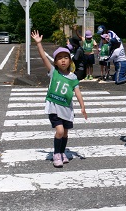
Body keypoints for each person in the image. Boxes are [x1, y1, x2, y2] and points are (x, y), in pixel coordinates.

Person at [30, 30, 88, 168]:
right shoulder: (53, 72)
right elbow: (44, 57)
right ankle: (56, 154)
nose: (63, 60)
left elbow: (78, 92)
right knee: (60, 131)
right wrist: (39, 43)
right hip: (54, 107)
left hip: (67, 108)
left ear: (70, 60)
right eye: (59, 58)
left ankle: (62, 153)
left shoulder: (73, 77)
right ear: (55, 62)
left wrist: (83, 106)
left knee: (66, 133)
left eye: (66, 57)